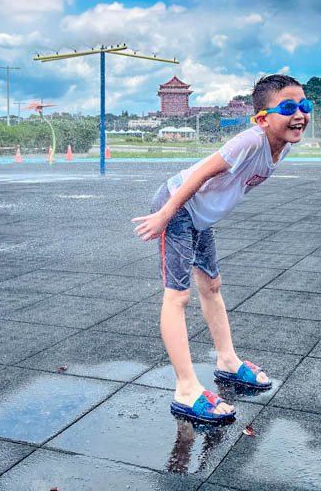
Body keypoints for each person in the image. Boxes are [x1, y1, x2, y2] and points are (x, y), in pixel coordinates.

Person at [133, 74, 311, 423]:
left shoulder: (284, 143)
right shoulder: (248, 141)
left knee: (212, 286)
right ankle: (186, 390)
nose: (299, 114)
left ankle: (227, 361)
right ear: (262, 118)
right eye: (288, 107)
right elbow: (199, 174)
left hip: (199, 217)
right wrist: (165, 215)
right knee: (177, 296)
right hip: (178, 207)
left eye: (304, 106)